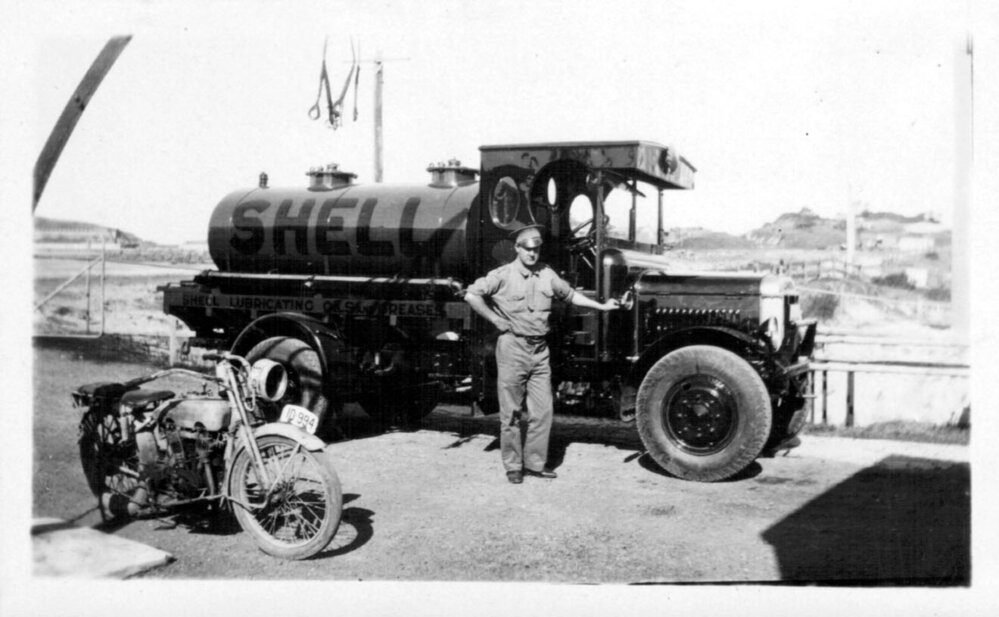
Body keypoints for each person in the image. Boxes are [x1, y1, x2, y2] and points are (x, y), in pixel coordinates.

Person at [464, 223, 622, 484]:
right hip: (513, 348)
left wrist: (601, 306)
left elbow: (570, 295)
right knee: (511, 413)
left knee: (543, 411)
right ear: (517, 248)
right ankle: (513, 466)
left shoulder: (547, 274)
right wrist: (494, 319)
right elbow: (471, 295)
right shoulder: (502, 275)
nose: (532, 254)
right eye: (527, 250)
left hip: (539, 351)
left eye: (536, 250)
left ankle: (535, 464)